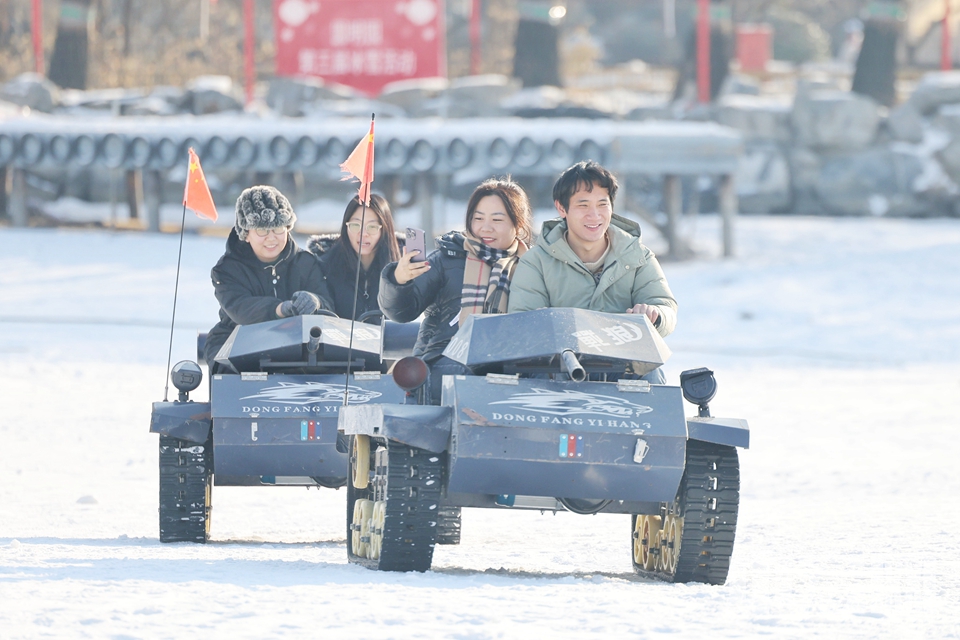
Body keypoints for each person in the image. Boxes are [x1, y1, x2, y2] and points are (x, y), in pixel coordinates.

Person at [507, 161, 677, 383]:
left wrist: (654, 315)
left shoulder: (638, 256)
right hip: (558, 369)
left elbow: (665, 307)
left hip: (625, 365)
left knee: (652, 373)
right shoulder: (536, 261)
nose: (594, 215)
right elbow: (522, 322)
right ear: (561, 208)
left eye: (602, 204)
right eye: (583, 205)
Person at [379, 178, 533, 403]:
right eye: (478, 218)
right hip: (442, 363)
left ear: (518, 225)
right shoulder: (448, 258)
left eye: (497, 220)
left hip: (506, 368)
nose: (485, 227)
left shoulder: (532, 267)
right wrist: (399, 280)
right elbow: (400, 312)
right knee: (469, 377)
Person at [204, 185, 334, 370]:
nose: (272, 238)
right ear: (246, 234)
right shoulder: (226, 269)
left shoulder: (306, 262)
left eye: (278, 229)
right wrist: (280, 309)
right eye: (262, 231)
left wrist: (316, 302)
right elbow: (240, 308)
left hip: (298, 341)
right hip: (237, 338)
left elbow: (328, 304)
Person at [309, 194, 401, 321]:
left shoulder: (400, 268)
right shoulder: (324, 266)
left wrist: (404, 281)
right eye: (355, 225)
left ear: (385, 230)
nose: (363, 234)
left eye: (372, 227)